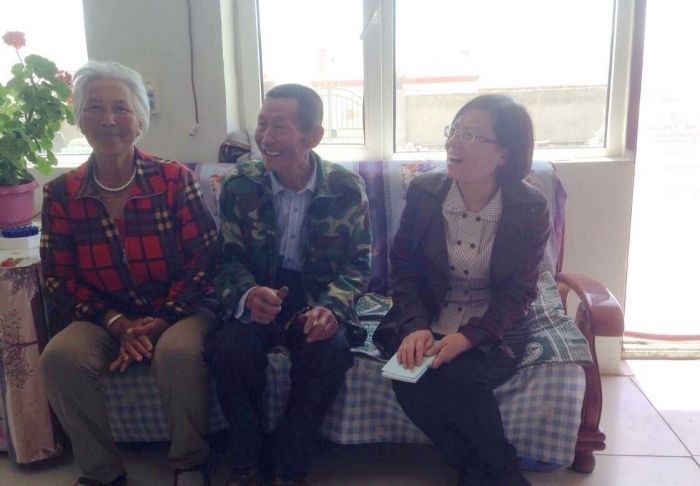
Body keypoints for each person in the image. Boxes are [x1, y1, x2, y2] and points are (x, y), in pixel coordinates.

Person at [38, 61, 218, 486]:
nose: (108, 119)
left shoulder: (175, 180)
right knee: (59, 358)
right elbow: (59, 277)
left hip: (180, 309)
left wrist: (162, 319)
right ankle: (102, 472)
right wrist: (116, 322)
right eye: (94, 107)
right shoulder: (60, 193)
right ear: (80, 119)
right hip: (105, 314)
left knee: (178, 353)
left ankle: (189, 463)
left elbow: (205, 259)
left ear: (139, 119)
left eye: (120, 108)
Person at [373, 95, 549, 486]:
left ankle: (500, 474)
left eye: (470, 135)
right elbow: (403, 269)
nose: (453, 142)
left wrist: (468, 338)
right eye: (454, 130)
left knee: (460, 380)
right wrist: (415, 326)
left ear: (504, 154)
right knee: (407, 377)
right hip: (430, 310)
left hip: (494, 317)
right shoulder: (424, 193)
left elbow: (519, 292)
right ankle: (475, 469)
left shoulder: (528, 206)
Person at [208, 83, 372, 485]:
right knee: (229, 348)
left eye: (279, 126)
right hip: (260, 293)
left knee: (330, 350)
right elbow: (227, 259)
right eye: (261, 124)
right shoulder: (239, 184)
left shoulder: (346, 188)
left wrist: (331, 309)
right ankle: (247, 462)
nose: (265, 138)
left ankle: (289, 460)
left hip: (317, 297)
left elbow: (358, 265)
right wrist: (248, 294)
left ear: (312, 135)